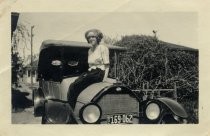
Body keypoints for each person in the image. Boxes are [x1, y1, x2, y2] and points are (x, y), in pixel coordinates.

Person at [68, 29, 110, 109]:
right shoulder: (89, 50)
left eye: (93, 36)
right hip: (91, 72)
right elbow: (90, 66)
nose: (91, 39)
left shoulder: (103, 48)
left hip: (99, 72)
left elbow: (107, 65)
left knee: (76, 85)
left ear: (98, 38)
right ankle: (72, 108)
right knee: (73, 85)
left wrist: (104, 79)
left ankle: (75, 108)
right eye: (89, 37)